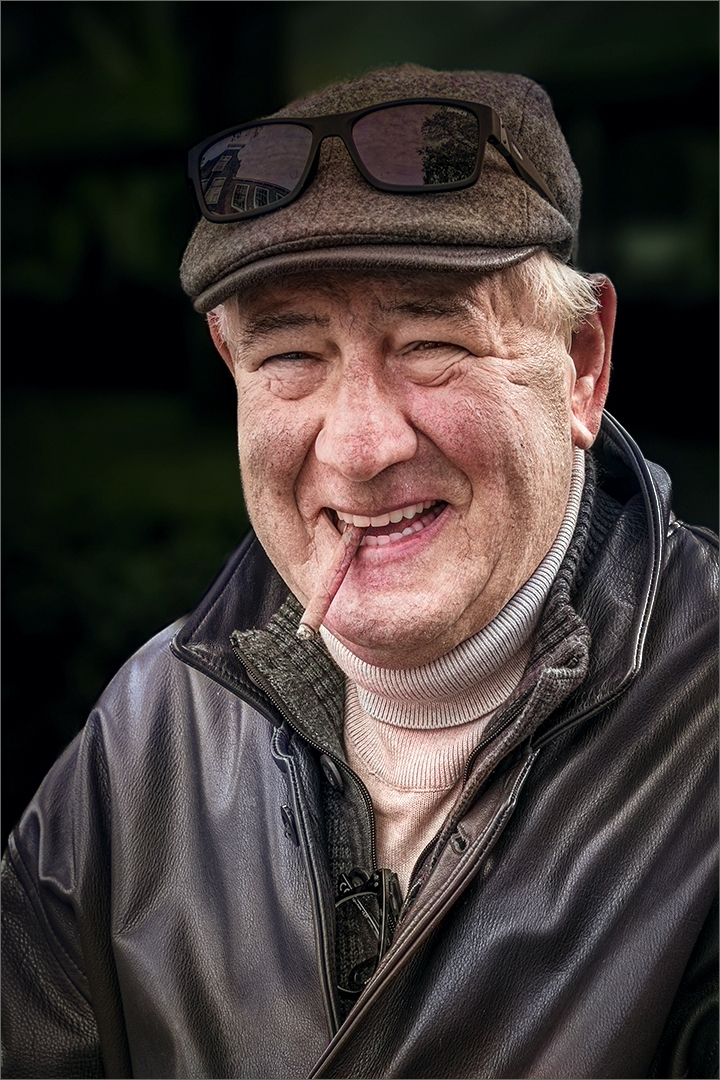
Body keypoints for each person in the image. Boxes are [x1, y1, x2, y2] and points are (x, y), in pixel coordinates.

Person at [2, 64, 717, 1080]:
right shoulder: (146, 735)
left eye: (431, 340)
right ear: (231, 367)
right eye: (291, 357)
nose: (359, 446)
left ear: (582, 362)